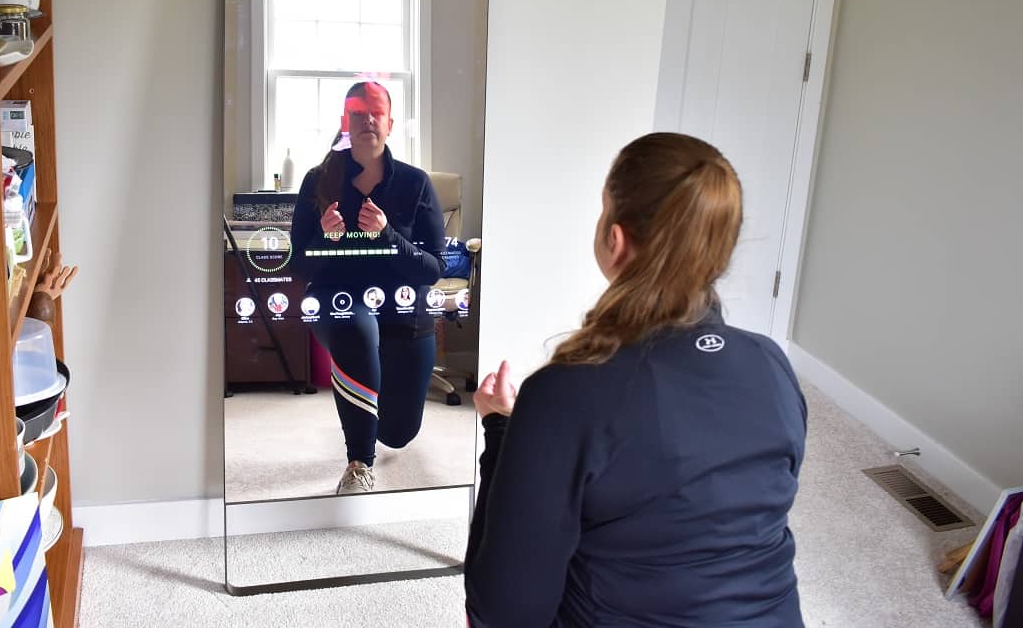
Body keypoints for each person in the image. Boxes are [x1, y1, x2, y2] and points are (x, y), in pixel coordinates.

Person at [465, 132, 808, 627]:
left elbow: (502, 612)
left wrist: (502, 432)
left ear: (615, 238)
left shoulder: (565, 394)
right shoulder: (771, 365)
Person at [290, 81, 446, 494]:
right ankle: (359, 462)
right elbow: (298, 263)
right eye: (358, 113)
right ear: (346, 122)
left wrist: (387, 235)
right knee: (356, 329)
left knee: (396, 433)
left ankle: (369, 422)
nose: (368, 120)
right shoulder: (317, 180)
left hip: (403, 308)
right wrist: (325, 239)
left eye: (376, 112)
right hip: (335, 298)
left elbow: (433, 268)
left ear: (390, 124)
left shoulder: (416, 184)